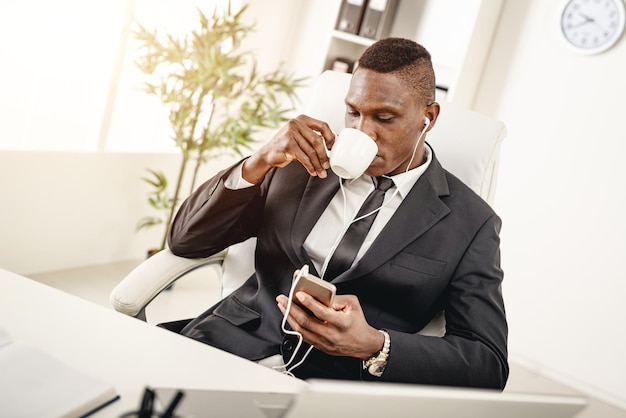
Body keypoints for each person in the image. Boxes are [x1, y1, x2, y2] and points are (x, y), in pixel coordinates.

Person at [167, 38, 508, 389]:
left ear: (428, 117)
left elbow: (488, 362)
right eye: (353, 112)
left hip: (339, 388)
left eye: (384, 117)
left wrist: (375, 345)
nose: (362, 131)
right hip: (228, 348)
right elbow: (185, 241)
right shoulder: (299, 163)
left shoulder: (471, 222)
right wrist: (258, 162)